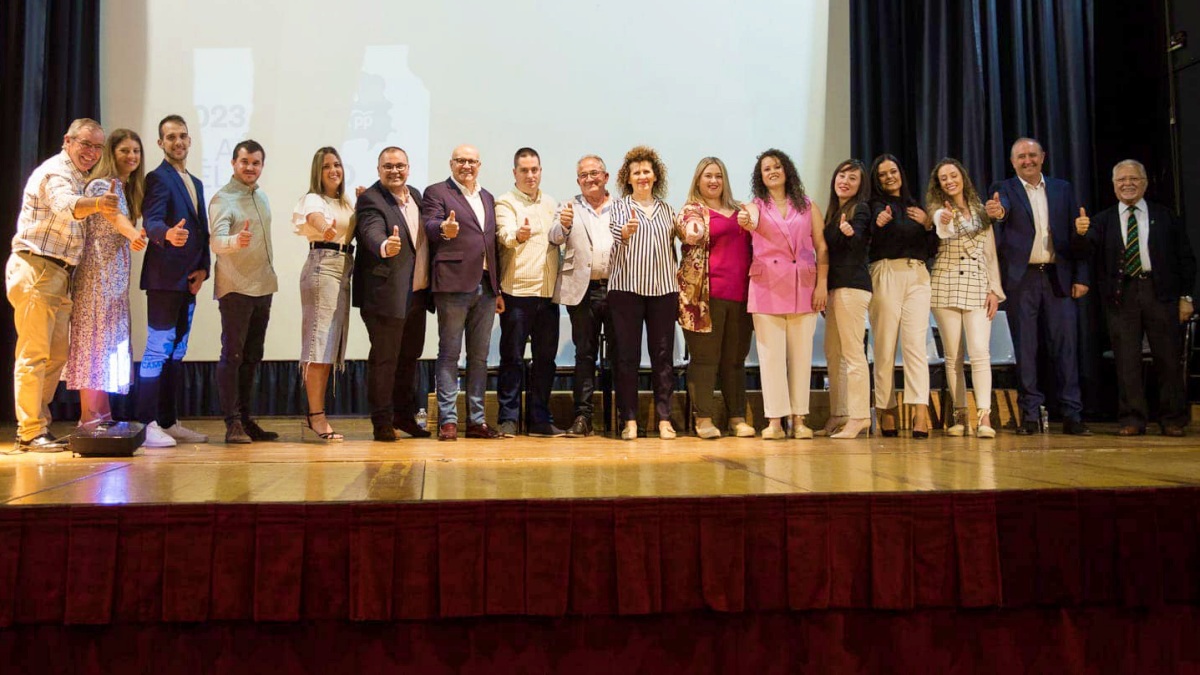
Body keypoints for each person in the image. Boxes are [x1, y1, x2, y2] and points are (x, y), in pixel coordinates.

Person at [6, 119, 120, 452]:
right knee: (34, 355)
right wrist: (99, 204)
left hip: (59, 275)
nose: (92, 153)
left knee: (56, 356)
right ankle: (29, 429)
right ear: (67, 140)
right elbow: (65, 207)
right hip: (37, 267)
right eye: (86, 144)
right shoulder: (56, 172)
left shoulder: (81, 177)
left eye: (98, 147)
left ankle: (36, 426)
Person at [1083, 159, 1196, 436]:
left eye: (1133, 179)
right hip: (1122, 296)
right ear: (1113, 186)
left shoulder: (1165, 216)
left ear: (1144, 183)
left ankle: (1172, 419)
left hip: (1162, 293)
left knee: (1168, 358)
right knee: (1127, 361)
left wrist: (1186, 297)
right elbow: (1083, 253)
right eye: (1121, 180)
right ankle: (1132, 418)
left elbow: (1186, 259)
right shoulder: (1102, 220)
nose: (1128, 184)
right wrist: (1080, 232)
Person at [987, 137, 1091, 435]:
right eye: (1021, 156)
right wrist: (999, 212)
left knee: (1066, 348)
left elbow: (1077, 233)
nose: (1027, 160)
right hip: (1022, 281)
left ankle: (1072, 414)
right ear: (1013, 161)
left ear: (1043, 157)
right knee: (1026, 349)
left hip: (1058, 277)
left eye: (1032, 155)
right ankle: (1030, 415)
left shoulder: (1062, 188)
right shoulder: (1004, 188)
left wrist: (1081, 276)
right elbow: (1001, 209)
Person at [739, 149, 828, 439]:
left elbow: (821, 246)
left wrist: (822, 284)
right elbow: (748, 218)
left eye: (777, 166)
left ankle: (799, 418)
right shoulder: (755, 205)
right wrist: (746, 219)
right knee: (770, 358)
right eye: (766, 169)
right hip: (767, 288)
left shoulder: (807, 205)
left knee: (802, 357)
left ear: (786, 170)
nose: (773, 171)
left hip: (804, 286)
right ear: (760, 177)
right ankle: (774, 420)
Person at [65, 128, 149, 427]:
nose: (132, 156)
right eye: (124, 150)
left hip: (114, 279)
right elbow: (114, 218)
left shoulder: (126, 189)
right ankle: (89, 418)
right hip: (96, 276)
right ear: (111, 153)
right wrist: (134, 234)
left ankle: (104, 415)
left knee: (107, 345)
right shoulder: (102, 185)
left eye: (136, 151)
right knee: (94, 344)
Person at [136, 114, 211, 448]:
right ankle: (145, 422)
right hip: (164, 279)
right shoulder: (157, 179)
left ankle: (168, 421)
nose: (178, 142)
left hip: (188, 282)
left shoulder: (196, 182)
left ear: (190, 141)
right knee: (157, 350)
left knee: (177, 352)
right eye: (170, 137)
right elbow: (150, 220)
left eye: (182, 136)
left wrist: (204, 269)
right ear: (160, 143)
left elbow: (203, 231)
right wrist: (166, 233)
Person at [423, 144, 506, 441]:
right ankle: (447, 421)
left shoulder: (487, 197)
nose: (466, 166)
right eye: (460, 161)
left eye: (471, 161)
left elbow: (491, 245)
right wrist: (444, 228)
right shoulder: (437, 192)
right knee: (449, 354)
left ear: (479, 164)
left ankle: (477, 420)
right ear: (451, 163)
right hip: (452, 283)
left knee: (479, 358)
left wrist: (497, 289)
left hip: (485, 286)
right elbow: (430, 224)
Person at [353, 146, 431, 441]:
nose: (395, 171)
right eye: (388, 166)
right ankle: (382, 421)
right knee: (385, 360)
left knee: (409, 358)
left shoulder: (417, 196)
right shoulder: (371, 199)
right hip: (385, 295)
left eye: (400, 166)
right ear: (378, 170)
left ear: (408, 168)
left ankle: (405, 416)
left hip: (417, 294)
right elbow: (371, 230)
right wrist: (385, 245)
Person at [676, 157, 754, 439]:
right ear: (698, 180)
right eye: (707, 176)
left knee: (735, 361)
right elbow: (688, 228)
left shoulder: (741, 211)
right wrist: (693, 232)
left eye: (718, 176)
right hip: (703, 301)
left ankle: (736, 417)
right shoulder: (691, 211)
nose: (713, 181)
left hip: (742, 298)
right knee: (705, 360)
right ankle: (704, 418)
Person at [926, 158, 1005, 438]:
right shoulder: (937, 208)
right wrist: (944, 220)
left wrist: (994, 290)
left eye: (953, 175)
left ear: (963, 178)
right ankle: (960, 415)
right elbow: (940, 226)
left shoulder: (981, 210)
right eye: (944, 178)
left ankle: (984, 416)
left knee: (980, 352)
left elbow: (990, 253)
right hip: (945, 285)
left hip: (977, 285)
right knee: (953, 356)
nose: (949, 181)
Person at [608, 146, 681, 440]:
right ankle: (630, 420)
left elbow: (684, 235)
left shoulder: (666, 209)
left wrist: (690, 232)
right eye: (636, 172)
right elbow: (615, 232)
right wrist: (625, 232)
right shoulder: (618, 206)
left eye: (646, 172)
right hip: (626, 290)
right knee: (627, 357)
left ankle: (664, 419)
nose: (642, 177)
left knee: (663, 356)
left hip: (663, 290)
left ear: (655, 176)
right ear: (628, 177)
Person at [209, 140, 279, 444]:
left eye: (256, 163)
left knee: (252, 356)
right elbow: (216, 241)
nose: (250, 168)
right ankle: (232, 422)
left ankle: (247, 420)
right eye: (244, 162)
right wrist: (235, 241)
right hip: (235, 288)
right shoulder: (223, 199)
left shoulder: (260, 195)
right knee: (233, 355)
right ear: (234, 163)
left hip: (263, 286)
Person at [495, 148, 564, 437]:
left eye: (534, 169)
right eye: (524, 170)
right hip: (517, 293)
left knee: (545, 360)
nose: (530, 175)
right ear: (515, 173)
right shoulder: (504, 202)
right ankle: (508, 418)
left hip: (547, 294)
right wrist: (517, 236)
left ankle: (539, 419)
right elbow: (504, 234)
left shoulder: (551, 203)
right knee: (511, 358)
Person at [867, 154, 935, 437]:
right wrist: (878, 225)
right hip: (886, 273)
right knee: (884, 346)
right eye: (882, 174)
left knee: (915, 347)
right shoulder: (872, 207)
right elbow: (864, 243)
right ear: (876, 180)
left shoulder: (915, 206)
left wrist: (929, 226)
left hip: (917, 275)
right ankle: (887, 409)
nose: (889, 177)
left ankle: (920, 411)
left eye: (892, 171)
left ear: (901, 173)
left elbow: (930, 248)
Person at [549, 155, 615, 438]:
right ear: (578, 180)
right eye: (584, 175)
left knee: (619, 355)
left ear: (606, 177)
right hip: (582, 292)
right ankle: (583, 417)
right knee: (584, 355)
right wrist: (563, 225)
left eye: (595, 173)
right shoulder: (569, 207)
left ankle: (620, 415)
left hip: (617, 289)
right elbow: (553, 237)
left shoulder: (622, 207)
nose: (590, 179)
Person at [293, 147, 356, 442]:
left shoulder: (345, 201)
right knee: (319, 344)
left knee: (330, 345)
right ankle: (316, 415)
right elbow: (315, 217)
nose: (334, 170)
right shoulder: (313, 199)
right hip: (322, 267)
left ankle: (317, 412)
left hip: (343, 269)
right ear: (317, 172)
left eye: (337, 165)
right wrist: (324, 227)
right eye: (327, 166)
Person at [821, 159, 873, 439]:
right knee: (834, 354)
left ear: (860, 186)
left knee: (853, 354)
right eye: (842, 175)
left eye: (853, 178)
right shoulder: (834, 212)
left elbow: (860, 239)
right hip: (834, 289)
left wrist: (851, 232)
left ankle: (859, 416)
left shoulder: (859, 210)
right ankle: (839, 413)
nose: (845, 181)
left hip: (852, 288)